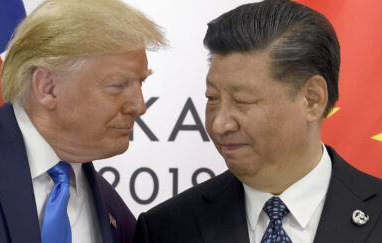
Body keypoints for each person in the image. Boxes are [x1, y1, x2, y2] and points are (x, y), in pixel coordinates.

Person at [133, 0, 382, 242]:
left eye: (242, 100)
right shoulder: (167, 228)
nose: (219, 124)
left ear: (312, 99)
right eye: (213, 98)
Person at [0, 0, 165, 242]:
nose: (140, 106)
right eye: (117, 86)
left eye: (141, 83)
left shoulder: (118, 217)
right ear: (48, 88)